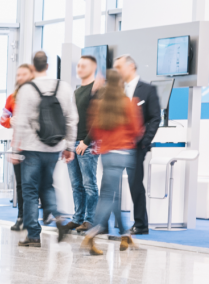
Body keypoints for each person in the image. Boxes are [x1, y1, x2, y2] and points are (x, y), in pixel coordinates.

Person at [11, 51, 78, 247]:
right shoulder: (63, 87)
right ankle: (58, 218)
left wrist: (15, 150)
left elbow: (21, 122)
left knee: (30, 191)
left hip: (31, 147)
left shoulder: (27, 89)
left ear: (33, 68)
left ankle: (33, 235)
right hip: (54, 147)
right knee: (47, 185)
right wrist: (69, 146)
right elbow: (71, 119)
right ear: (48, 66)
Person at [81, 69, 143, 255]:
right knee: (109, 195)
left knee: (112, 194)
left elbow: (94, 129)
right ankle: (92, 232)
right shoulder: (128, 103)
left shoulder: (99, 105)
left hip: (107, 154)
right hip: (123, 153)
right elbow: (136, 130)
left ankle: (125, 234)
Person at [114, 55, 161, 235]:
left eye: (119, 67)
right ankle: (111, 223)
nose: (117, 71)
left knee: (135, 185)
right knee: (110, 184)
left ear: (131, 66)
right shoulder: (116, 90)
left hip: (136, 147)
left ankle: (141, 224)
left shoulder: (147, 90)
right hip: (116, 145)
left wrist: (144, 141)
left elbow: (155, 118)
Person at [63, 56, 101, 233]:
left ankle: (90, 219)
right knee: (76, 185)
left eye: (83, 66)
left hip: (88, 144)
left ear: (93, 68)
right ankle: (77, 218)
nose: (79, 68)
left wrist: (86, 142)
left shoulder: (97, 90)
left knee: (89, 185)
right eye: (78, 65)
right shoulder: (77, 91)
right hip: (73, 143)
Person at [1, 63, 35, 231]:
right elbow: (2, 119)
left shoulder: (37, 96)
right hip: (18, 147)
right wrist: (10, 121)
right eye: (18, 75)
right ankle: (21, 217)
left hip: (35, 148)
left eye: (24, 74)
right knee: (20, 185)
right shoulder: (12, 98)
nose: (20, 78)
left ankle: (32, 220)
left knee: (32, 186)